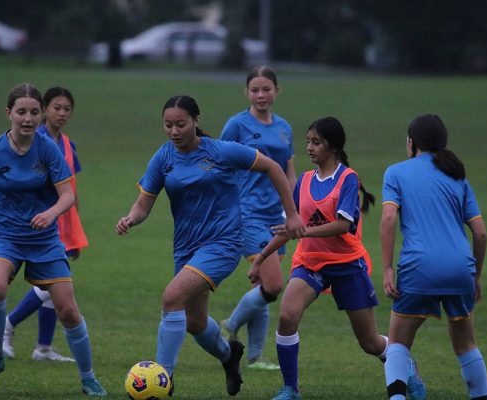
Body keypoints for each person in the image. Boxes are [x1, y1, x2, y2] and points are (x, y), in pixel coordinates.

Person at [115, 95, 304, 397]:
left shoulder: (222, 152)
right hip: (186, 249)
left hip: (223, 244)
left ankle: (163, 381)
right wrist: (130, 219)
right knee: (195, 322)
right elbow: (143, 205)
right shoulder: (163, 158)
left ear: (196, 120)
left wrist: (292, 213)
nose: (174, 131)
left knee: (171, 297)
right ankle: (230, 356)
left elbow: (273, 167)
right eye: (168, 125)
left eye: (181, 124)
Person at [248, 117, 425, 400]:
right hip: (310, 262)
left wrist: (303, 231)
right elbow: (290, 227)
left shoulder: (348, 179)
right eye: (307, 141)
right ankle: (290, 389)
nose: (309, 147)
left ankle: (407, 368)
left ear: (333, 146)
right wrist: (261, 257)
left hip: (347, 265)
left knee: (369, 341)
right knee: (287, 315)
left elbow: (343, 226)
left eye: (315, 142)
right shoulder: (304, 180)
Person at [0, 83, 106, 396]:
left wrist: (51, 214)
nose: (28, 118)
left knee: (69, 311)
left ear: (41, 113)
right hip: (4, 235)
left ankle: (88, 376)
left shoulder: (47, 149)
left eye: (34, 112)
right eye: (21, 112)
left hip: (44, 239)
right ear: (9, 113)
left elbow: (67, 195)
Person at [380, 114, 487, 400]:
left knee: (398, 342)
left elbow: (389, 218)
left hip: (419, 267)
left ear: (411, 142)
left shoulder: (396, 172)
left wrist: (388, 268)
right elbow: (480, 233)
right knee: (466, 345)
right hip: (459, 268)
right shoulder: (457, 177)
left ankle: (397, 397)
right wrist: (475, 275)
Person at [2, 86, 88, 363]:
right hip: (37, 220)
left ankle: (43, 348)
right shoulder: (32, 139)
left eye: (67, 108)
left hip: (62, 220)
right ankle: (9, 323)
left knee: (55, 285)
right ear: (44, 110)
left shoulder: (67, 144)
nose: (62, 113)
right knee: (52, 284)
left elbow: (70, 187)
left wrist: (75, 226)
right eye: (56, 107)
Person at [219, 66, 295, 371]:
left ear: (277, 91)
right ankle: (230, 324)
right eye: (255, 90)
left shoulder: (283, 128)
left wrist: (292, 209)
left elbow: (289, 171)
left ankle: (253, 356)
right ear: (246, 92)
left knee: (263, 285)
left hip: (276, 215)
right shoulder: (236, 125)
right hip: (246, 213)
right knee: (274, 284)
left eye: (266, 89)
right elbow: (219, 162)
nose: (261, 95)